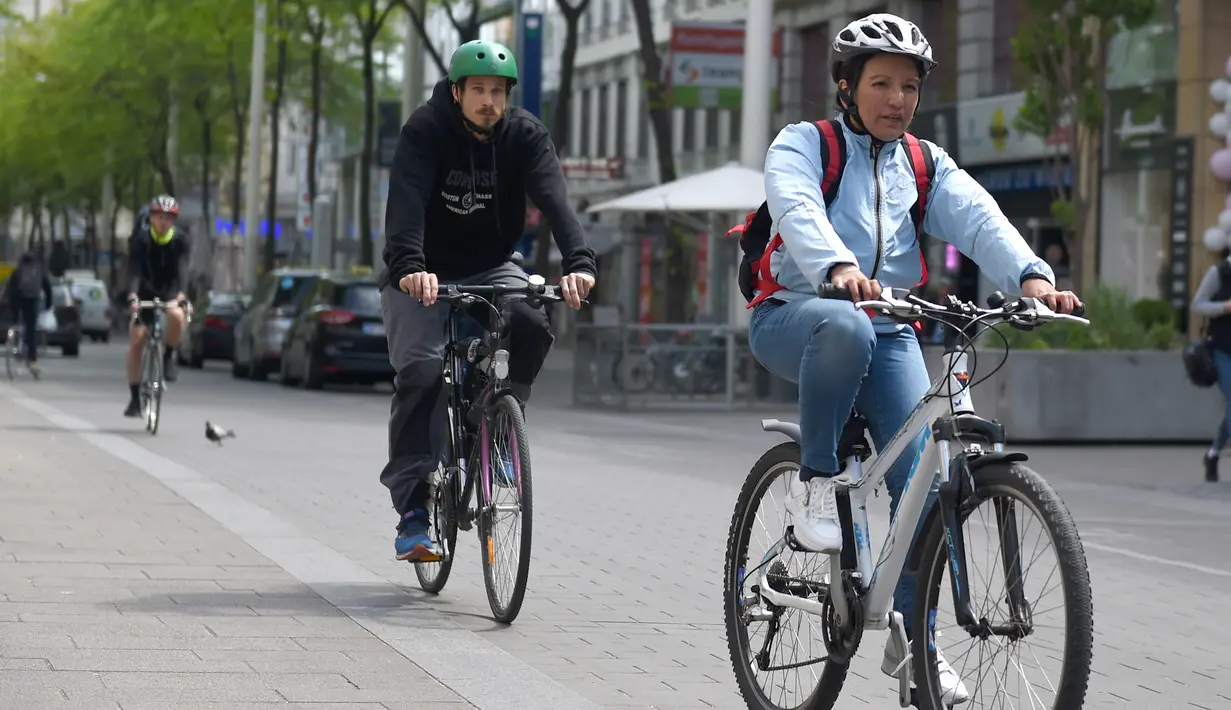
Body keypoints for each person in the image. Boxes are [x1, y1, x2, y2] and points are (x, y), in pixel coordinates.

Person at [749, 13, 1082, 704]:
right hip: (796, 316)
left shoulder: (923, 163)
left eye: (908, 86)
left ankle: (915, 644)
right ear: (845, 87)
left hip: (892, 328)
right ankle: (815, 480)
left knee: (924, 486)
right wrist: (837, 268)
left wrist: (1032, 279)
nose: (897, 98)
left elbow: (977, 217)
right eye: (880, 83)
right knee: (845, 329)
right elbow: (796, 206)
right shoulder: (803, 145)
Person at [380, 40, 596, 561]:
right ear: (456, 93)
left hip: (490, 264)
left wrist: (580, 263)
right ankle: (413, 512)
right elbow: (405, 202)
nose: (489, 102)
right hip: (423, 270)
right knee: (422, 373)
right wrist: (410, 268)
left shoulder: (524, 136)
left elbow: (555, 200)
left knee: (529, 320)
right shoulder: (425, 130)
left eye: (498, 92)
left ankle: (493, 423)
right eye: (477, 90)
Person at [123, 195, 190, 417]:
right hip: (144, 288)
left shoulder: (180, 240)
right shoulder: (141, 240)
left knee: (178, 316)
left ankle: (169, 355)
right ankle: (134, 399)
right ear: (151, 218)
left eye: (169, 219)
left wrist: (181, 295)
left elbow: (182, 273)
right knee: (137, 340)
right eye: (160, 217)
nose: (164, 222)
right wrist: (133, 296)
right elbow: (133, 270)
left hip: (169, 287)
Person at [1190, 246, 1231, 482]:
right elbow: (1198, 304)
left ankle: (1214, 453)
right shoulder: (1220, 272)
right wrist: (1225, 307)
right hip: (1223, 349)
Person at [3, 251, 53, 378]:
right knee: (31, 329)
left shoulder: (18, 270)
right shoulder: (39, 269)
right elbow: (47, 287)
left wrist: (8, 305)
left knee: (16, 322)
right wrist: (48, 304)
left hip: (18, 299)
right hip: (32, 300)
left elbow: (10, 288)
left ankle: (14, 339)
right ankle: (32, 359)